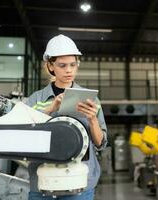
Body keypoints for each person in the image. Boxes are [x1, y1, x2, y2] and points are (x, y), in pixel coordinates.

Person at [25, 34, 108, 200]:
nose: (69, 70)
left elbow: (100, 144)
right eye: (62, 65)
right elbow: (25, 134)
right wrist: (51, 108)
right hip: (43, 183)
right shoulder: (36, 99)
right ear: (50, 66)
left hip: (79, 184)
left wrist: (92, 120)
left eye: (73, 64)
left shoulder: (90, 99)